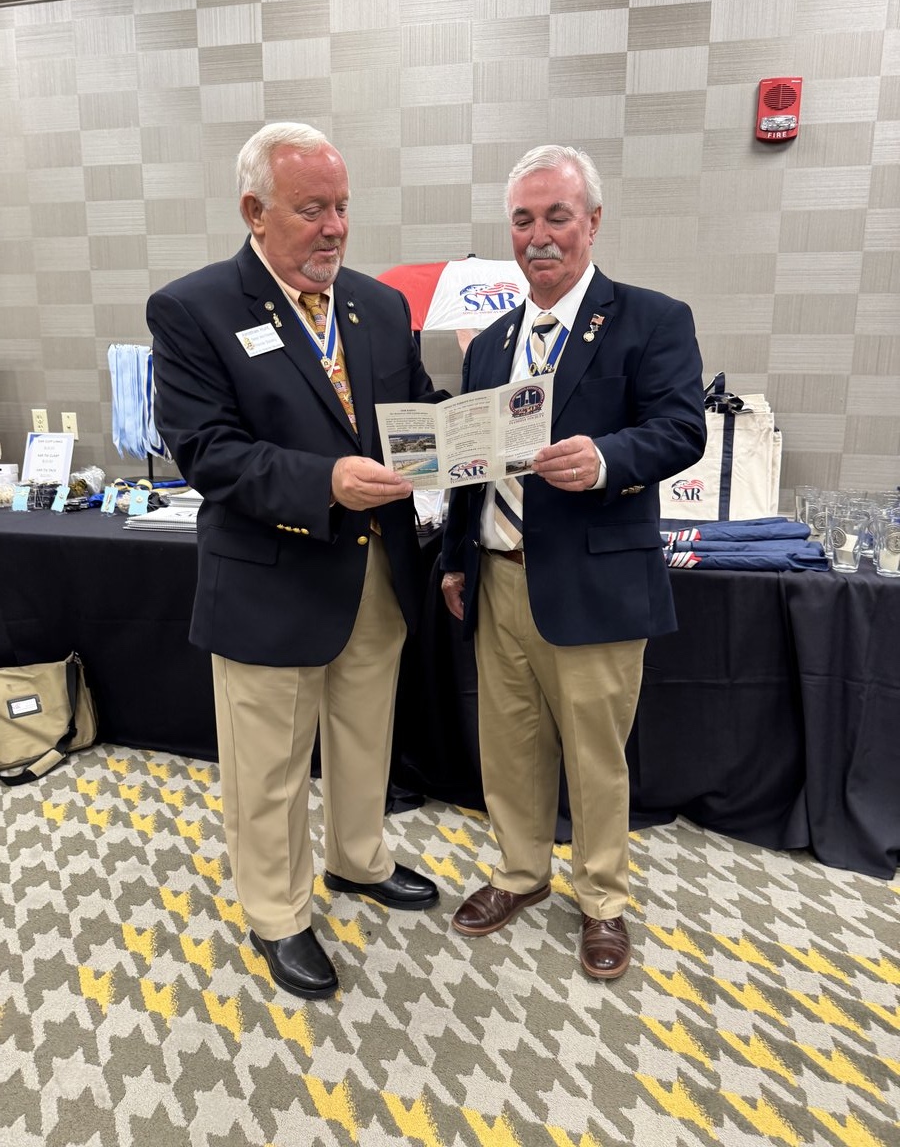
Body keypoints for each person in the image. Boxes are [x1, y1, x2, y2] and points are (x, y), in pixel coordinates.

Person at [147, 122, 442, 1001]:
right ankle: (276, 913)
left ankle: (358, 859)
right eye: (312, 210)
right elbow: (207, 451)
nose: (335, 228)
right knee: (270, 765)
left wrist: (468, 440)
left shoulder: (379, 307)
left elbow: (413, 414)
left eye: (343, 207)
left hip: (377, 576)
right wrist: (327, 482)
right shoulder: (194, 308)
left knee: (365, 738)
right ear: (255, 211)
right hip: (270, 581)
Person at [440, 144, 706, 980]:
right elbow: (468, 464)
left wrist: (605, 460)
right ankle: (520, 873)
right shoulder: (488, 345)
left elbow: (680, 428)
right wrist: (454, 558)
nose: (539, 236)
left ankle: (602, 900)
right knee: (509, 745)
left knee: (596, 754)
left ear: (593, 222)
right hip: (498, 572)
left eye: (558, 216)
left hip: (595, 580)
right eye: (523, 219)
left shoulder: (651, 319)